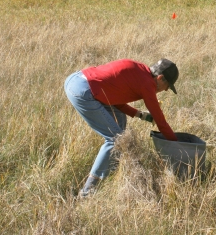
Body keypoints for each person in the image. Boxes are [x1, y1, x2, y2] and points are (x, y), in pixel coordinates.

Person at [64, 58, 179, 197]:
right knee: (116, 139)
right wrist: (177, 146)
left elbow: (114, 100)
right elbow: (161, 122)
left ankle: (112, 168)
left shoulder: (139, 71)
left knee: (119, 120)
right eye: (167, 86)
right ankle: (88, 192)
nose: (166, 90)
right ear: (160, 78)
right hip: (83, 91)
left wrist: (141, 115)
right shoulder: (148, 84)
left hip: (76, 79)